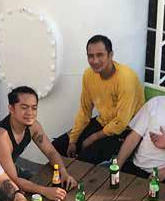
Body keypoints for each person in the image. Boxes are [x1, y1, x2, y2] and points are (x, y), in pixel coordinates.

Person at [52, 34, 145, 164]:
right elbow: (84, 110)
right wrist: (73, 140)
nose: (95, 61)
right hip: (103, 122)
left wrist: (93, 137)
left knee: (85, 159)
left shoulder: (126, 78)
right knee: (57, 146)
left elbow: (121, 122)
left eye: (100, 55)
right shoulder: (88, 75)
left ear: (110, 55)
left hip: (126, 130)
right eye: (91, 56)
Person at [0, 85, 77, 201]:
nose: (30, 113)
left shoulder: (33, 126)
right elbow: (13, 180)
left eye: (34, 108)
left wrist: (63, 172)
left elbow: (51, 152)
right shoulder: (0, 136)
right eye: (24, 108)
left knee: (48, 184)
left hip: (11, 170)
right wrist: (45, 191)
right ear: (11, 109)